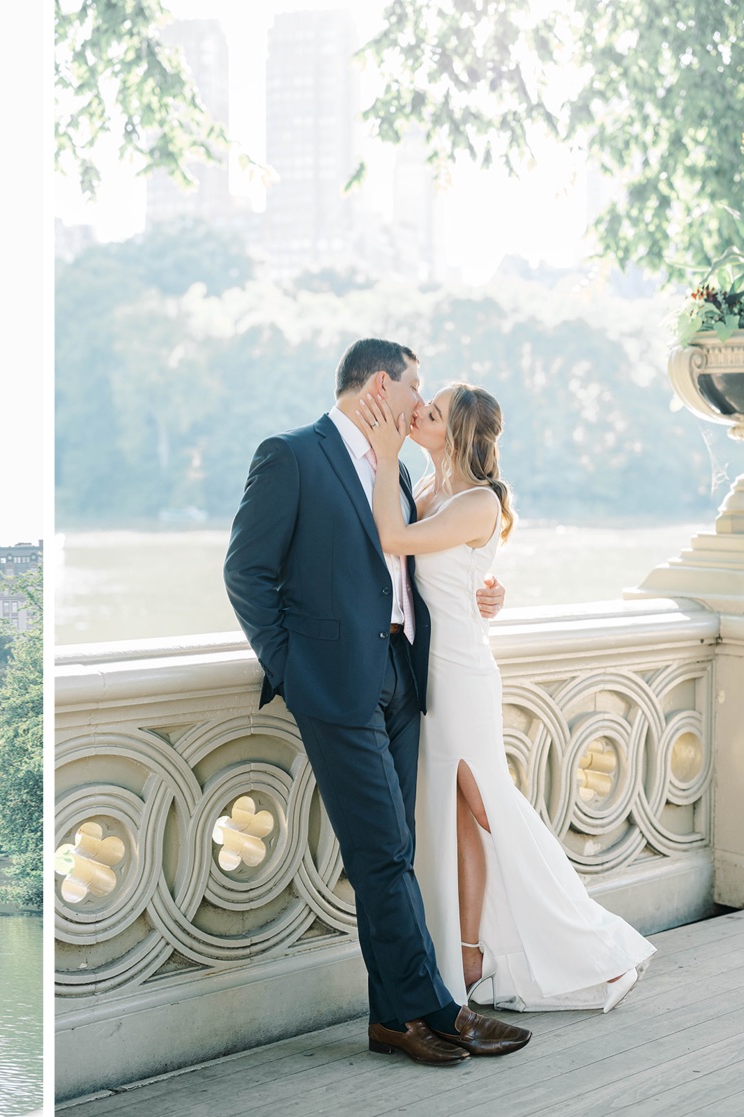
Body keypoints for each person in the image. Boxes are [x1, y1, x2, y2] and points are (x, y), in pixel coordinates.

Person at [224, 338, 528, 1067]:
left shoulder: (395, 475)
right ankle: (437, 1009)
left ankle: (394, 1019)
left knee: (391, 852)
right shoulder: (292, 454)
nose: (420, 401)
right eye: (413, 385)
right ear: (379, 385)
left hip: (403, 676)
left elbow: (415, 564)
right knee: (385, 852)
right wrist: (293, 669)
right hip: (333, 684)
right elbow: (246, 572)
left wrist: (477, 596)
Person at [357, 381, 655, 1013]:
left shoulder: (476, 502)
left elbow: (392, 539)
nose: (418, 414)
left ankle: (574, 937)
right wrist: (489, 592)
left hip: (463, 675)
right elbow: (453, 576)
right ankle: (469, 954)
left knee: (490, 808)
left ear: (458, 432)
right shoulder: (431, 490)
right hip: (429, 674)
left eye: (432, 413)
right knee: (458, 814)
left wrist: (385, 457)